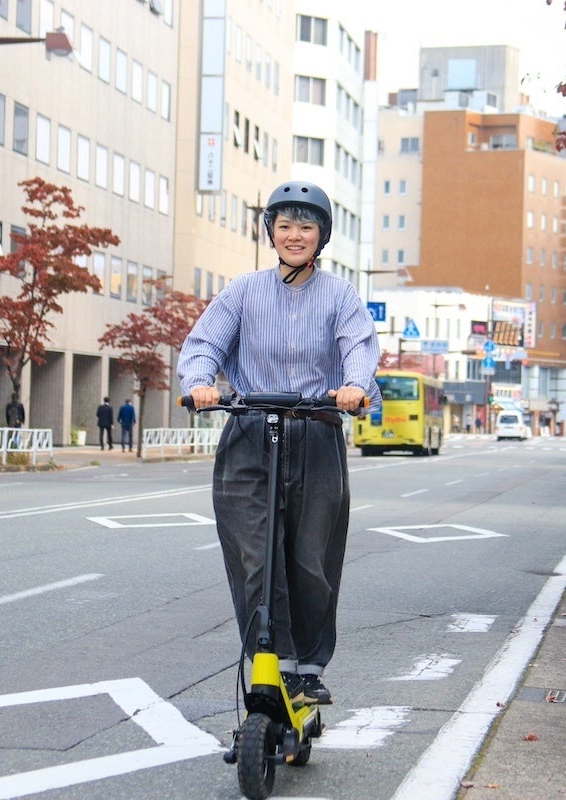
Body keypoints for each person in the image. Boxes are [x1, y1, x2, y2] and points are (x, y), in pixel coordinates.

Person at [179, 180, 380, 706]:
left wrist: (354, 386)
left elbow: (359, 348)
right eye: (285, 225)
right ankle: (275, 664)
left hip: (315, 433)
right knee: (255, 558)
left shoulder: (340, 296)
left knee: (311, 561)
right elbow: (203, 344)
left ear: (322, 236)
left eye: (305, 226)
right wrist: (200, 383)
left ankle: (308, 668)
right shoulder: (242, 292)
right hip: (249, 434)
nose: (295, 235)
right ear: (270, 232)